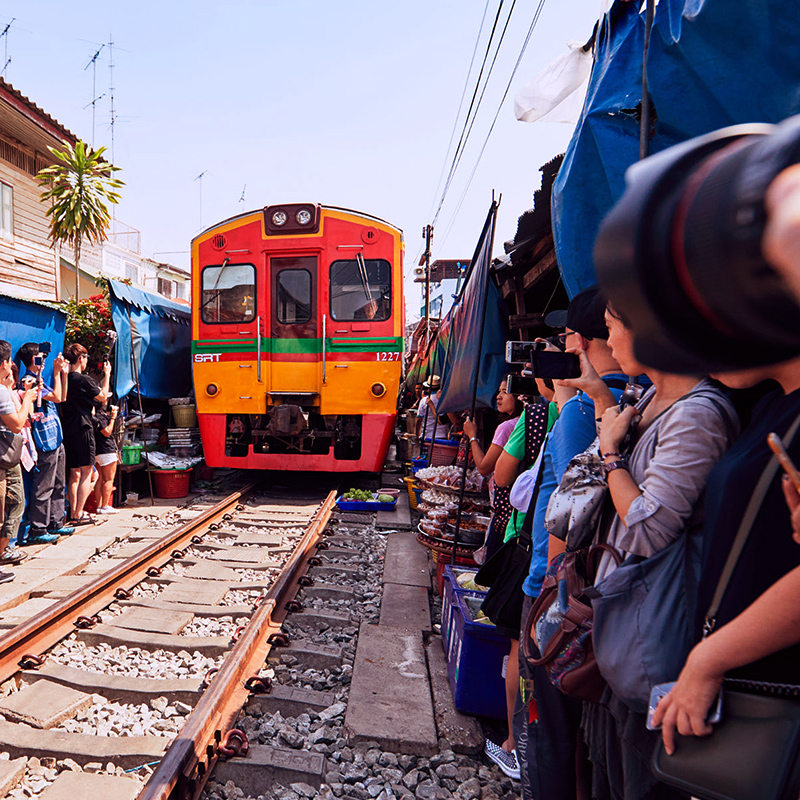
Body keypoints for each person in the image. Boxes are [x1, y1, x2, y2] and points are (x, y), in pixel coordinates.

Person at [572, 303, 738, 800]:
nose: (609, 343)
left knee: (638, 779)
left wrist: (609, 455)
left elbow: (648, 529)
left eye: (611, 328)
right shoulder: (646, 403)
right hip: (623, 638)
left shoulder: (697, 415)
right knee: (607, 770)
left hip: (655, 649)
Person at [514, 286, 632, 800]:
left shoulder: (584, 413)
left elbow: (565, 517)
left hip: (559, 592)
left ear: (581, 342)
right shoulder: (637, 397)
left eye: (565, 337)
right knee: (588, 742)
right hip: (607, 597)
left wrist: (552, 607)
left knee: (548, 731)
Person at [651, 353, 800, 755]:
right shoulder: (769, 404)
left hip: (772, 687)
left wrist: (708, 660)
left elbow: (650, 526)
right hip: (730, 673)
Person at [462, 377, 524, 778]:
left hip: (513, 526)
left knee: (513, 631)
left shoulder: (512, 426)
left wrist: (470, 436)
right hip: (516, 526)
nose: (498, 394)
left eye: (506, 387)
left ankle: (515, 743)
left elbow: (493, 472)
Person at [16, 343, 73, 545]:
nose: (44, 361)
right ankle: (38, 528)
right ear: (33, 359)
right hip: (43, 439)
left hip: (55, 437)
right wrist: (56, 373)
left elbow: (62, 397)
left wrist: (63, 374)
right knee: (44, 485)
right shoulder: (28, 381)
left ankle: (56, 521)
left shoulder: (40, 380)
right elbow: (57, 396)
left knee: (58, 483)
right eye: (41, 357)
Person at [61, 343, 110, 526]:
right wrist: (107, 374)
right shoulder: (84, 380)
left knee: (73, 473)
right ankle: (79, 513)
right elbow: (103, 396)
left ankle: (72, 512)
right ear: (81, 358)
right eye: (86, 357)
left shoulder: (64, 378)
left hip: (68, 428)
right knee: (87, 472)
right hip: (83, 427)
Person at [0, 341, 37, 583]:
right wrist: (27, 399)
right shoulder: (1, 391)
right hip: (3, 459)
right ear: (4, 363)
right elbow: (18, 423)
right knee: (11, 506)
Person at [93, 398, 120, 514]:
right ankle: (105, 506)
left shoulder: (92, 417)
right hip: (107, 451)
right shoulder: (99, 417)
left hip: (96, 451)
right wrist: (113, 418)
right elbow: (107, 431)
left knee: (99, 479)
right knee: (109, 479)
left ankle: (99, 506)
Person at [417, 375, 450, 443]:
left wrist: (417, 434)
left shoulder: (424, 401)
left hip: (427, 436)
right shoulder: (445, 400)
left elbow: (419, 419)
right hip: (442, 435)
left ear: (428, 388)